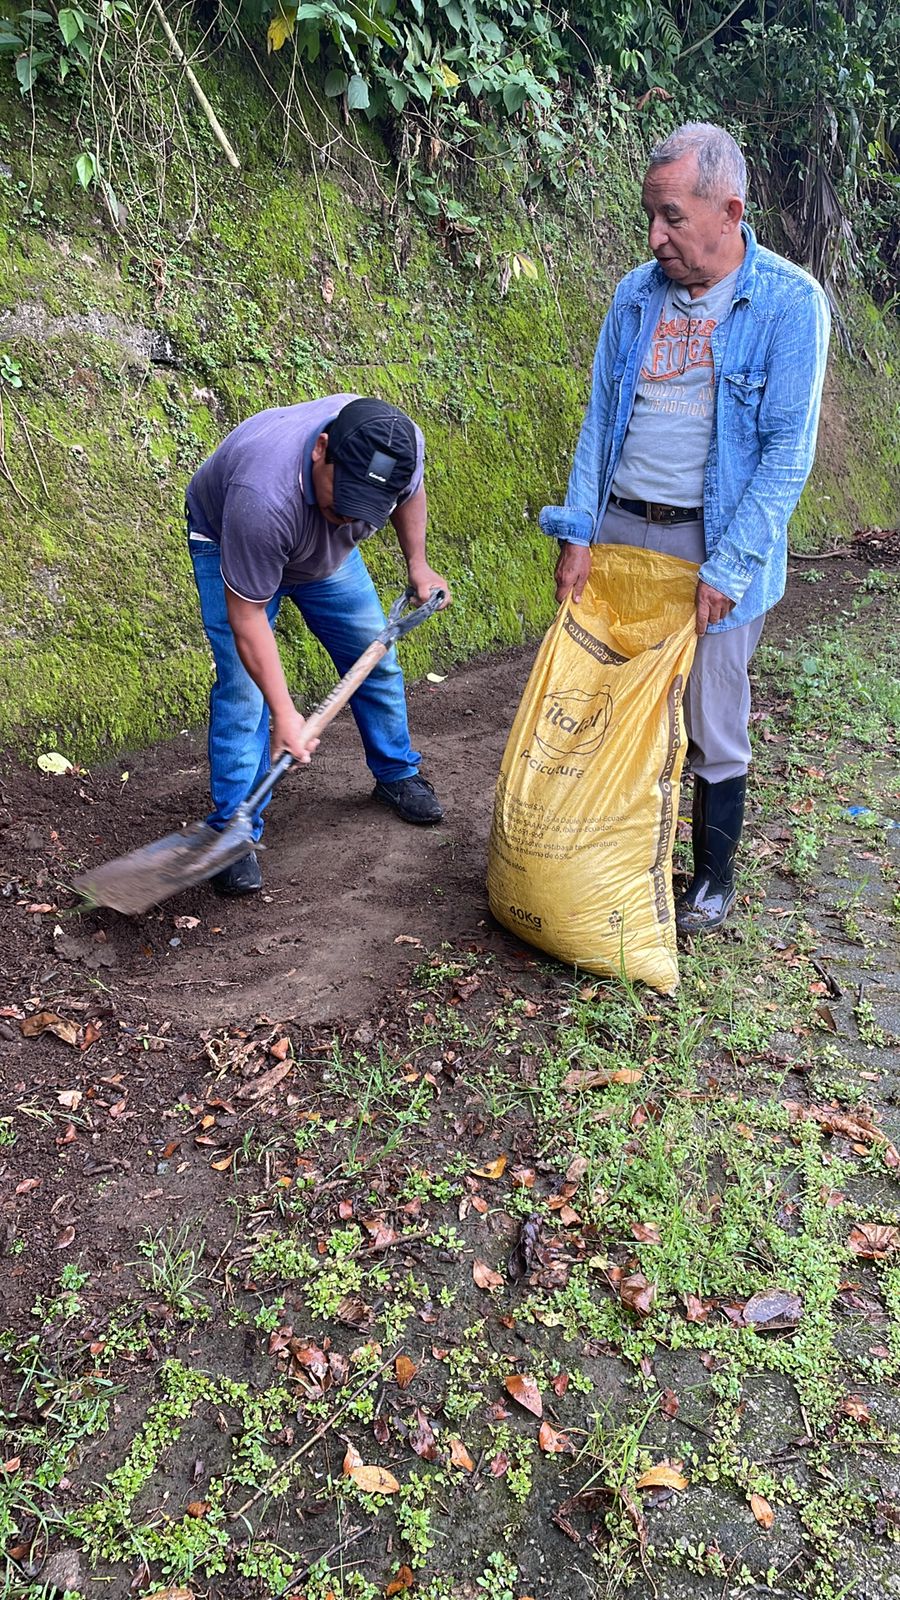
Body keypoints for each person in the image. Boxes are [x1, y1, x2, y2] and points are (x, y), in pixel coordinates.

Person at [540, 122, 830, 932]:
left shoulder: (789, 304)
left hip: (715, 544)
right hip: (621, 533)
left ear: (729, 211)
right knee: (603, 703)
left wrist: (729, 568)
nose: (654, 237)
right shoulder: (635, 295)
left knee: (710, 716)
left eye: (671, 217)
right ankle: (606, 857)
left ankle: (710, 877)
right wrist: (578, 531)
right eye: (650, 216)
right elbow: (601, 419)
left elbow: (787, 454)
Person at [185, 394, 451, 896]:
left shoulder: (400, 446)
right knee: (245, 694)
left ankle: (396, 772)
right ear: (320, 449)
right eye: (342, 501)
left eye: (363, 508)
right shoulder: (262, 497)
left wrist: (417, 563)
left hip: (325, 559)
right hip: (232, 539)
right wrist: (285, 713)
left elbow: (409, 492)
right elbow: (248, 619)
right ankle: (233, 832)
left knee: (376, 661)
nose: (348, 518)